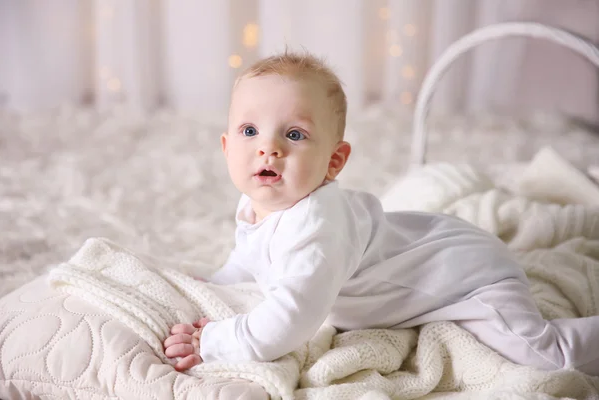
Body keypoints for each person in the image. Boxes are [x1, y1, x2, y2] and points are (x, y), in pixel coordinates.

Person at [163, 51, 599, 375]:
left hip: (469, 278)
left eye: (294, 134)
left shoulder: (316, 227)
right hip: (434, 241)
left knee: (544, 355)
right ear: (226, 147)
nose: (268, 147)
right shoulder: (259, 199)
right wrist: (212, 283)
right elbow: (250, 256)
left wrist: (218, 341)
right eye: (250, 130)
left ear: (334, 162)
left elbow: (293, 319)